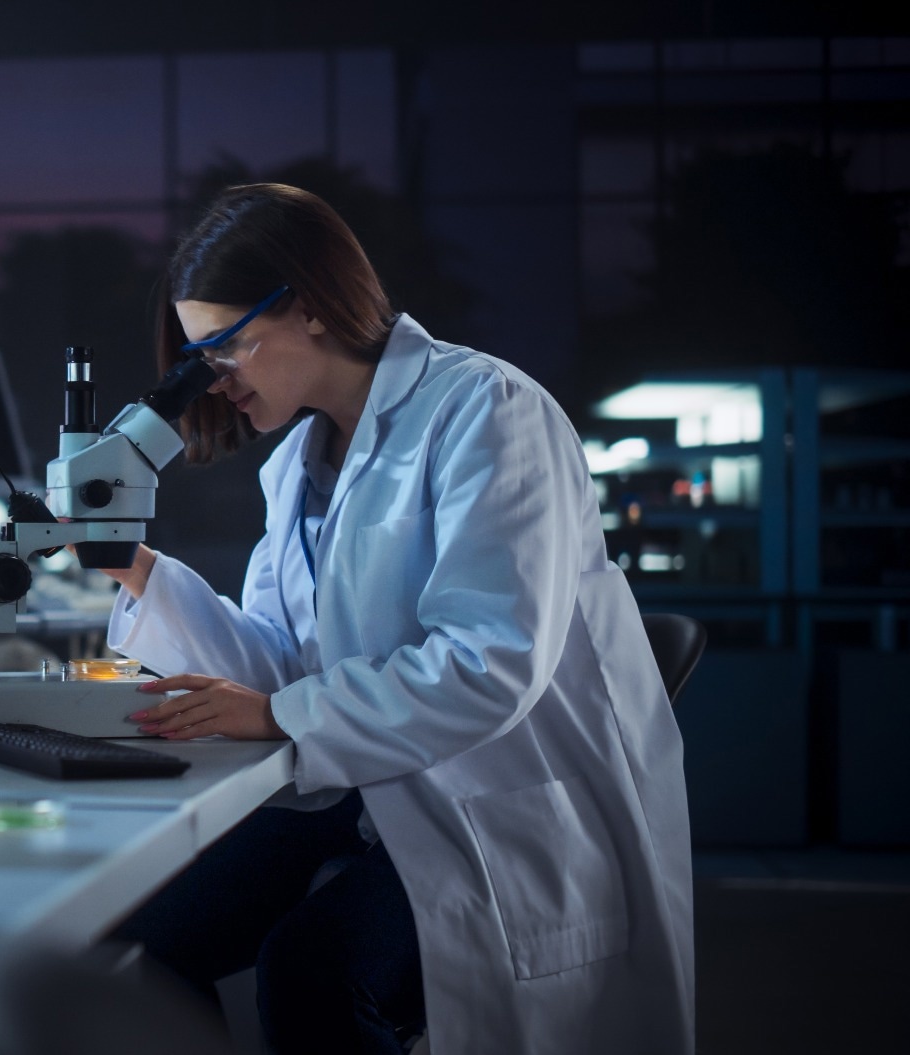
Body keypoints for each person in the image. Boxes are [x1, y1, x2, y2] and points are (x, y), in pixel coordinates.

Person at [101, 184, 694, 1055]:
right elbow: (279, 668)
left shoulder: (487, 411)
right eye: (197, 358)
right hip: (377, 789)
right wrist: (131, 563)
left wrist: (277, 714)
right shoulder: (297, 466)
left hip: (496, 810)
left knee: (309, 972)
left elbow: (491, 662)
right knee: (142, 929)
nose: (214, 383)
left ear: (307, 309)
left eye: (224, 350)